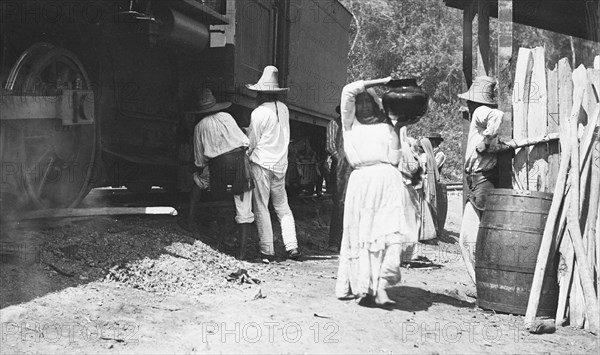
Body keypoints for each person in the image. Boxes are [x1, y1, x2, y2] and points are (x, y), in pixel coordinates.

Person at [335, 77, 418, 307]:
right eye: (359, 102)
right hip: (361, 183)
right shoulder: (350, 126)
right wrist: (383, 81)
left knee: (387, 235)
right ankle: (364, 287)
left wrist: (399, 129)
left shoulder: (387, 126)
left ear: (375, 104)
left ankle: (381, 286)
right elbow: (347, 90)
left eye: (367, 102)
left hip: (387, 183)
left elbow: (394, 159)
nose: (362, 106)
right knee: (362, 234)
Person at [190, 88, 255, 259]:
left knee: (198, 181)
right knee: (244, 210)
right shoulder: (227, 117)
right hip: (240, 167)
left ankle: (191, 218)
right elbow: (245, 142)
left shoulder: (199, 127)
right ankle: (241, 253)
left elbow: (199, 160)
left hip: (217, 170)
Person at [245, 66, 301, 262]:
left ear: (261, 93)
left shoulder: (258, 112)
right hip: (280, 164)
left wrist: (246, 153)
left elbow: (252, 140)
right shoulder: (283, 109)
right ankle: (292, 246)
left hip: (261, 164)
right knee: (282, 206)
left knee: (261, 206)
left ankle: (267, 250)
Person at [457, 76, 503, 284]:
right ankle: (481, 284)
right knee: (472, 238)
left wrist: (486, 140)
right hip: (479, 180)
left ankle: (481, 285)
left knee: (468, 239)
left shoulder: (479, 112)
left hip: (482, 180)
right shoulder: (477, 114)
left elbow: (497, 115)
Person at [325, 105, 353, 253]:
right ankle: (334, 241)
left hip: (354, 170)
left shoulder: (355, 127)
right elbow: (330, 147)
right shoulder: (334, 124)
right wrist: (342, 162)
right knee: (338, 205)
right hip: (339, 171)